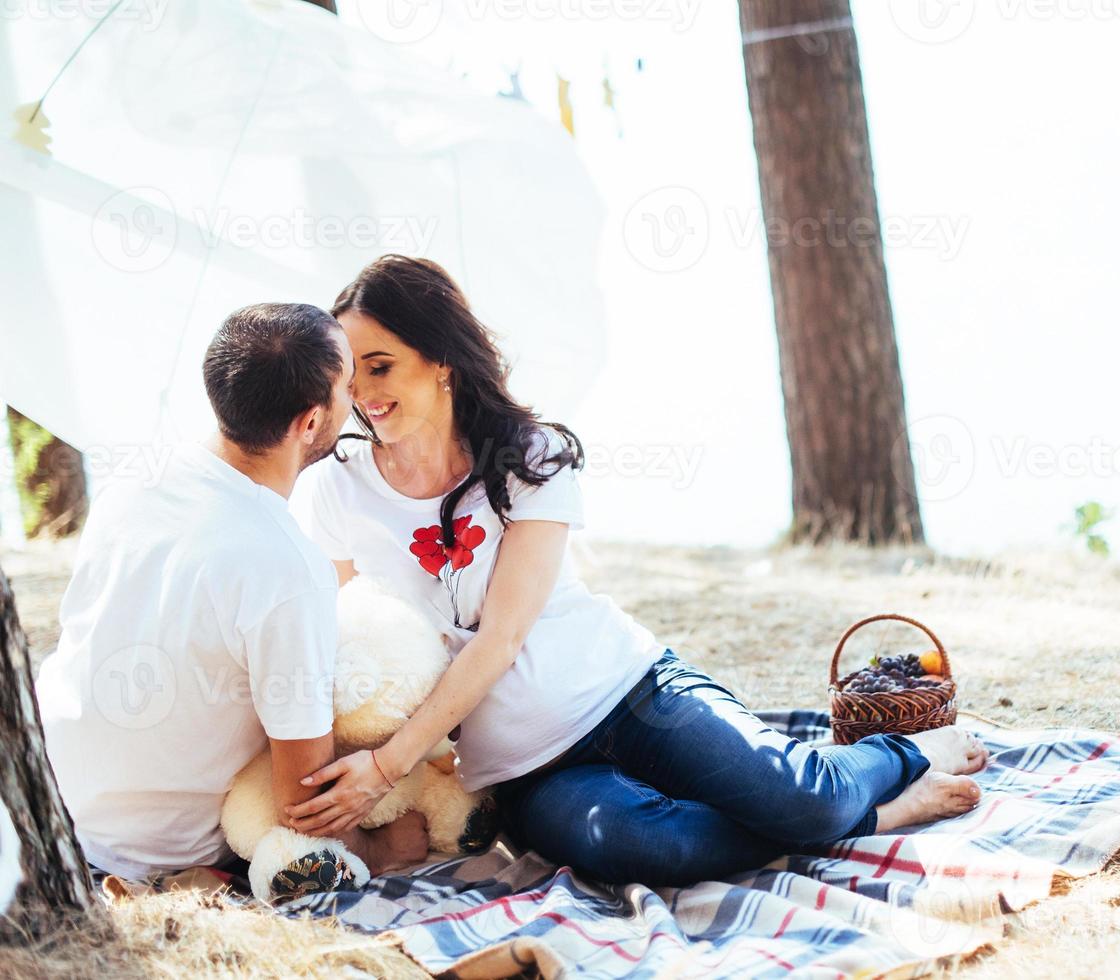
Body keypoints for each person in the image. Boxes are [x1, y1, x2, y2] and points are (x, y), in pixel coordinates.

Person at [284, 257, 988, 886]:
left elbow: (500, 639)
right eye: (352, 376)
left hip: (631, 691)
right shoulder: (336, 489)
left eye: (381, 366)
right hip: (529, 773)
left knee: (805, 797)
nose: (365, 396)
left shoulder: (529, 455)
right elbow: (358, 644)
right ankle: (876, 819)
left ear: (441, 359)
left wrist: (386, 768)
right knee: (655, 848)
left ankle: (903, 758)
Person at [36, 303, 427, 898]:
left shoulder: (135, 483)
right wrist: (384, 848)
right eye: (350, 385)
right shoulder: (288, 569)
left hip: (52, 805)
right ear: (310, 423)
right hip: (158, 853)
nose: (361, 396)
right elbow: (305, 799)